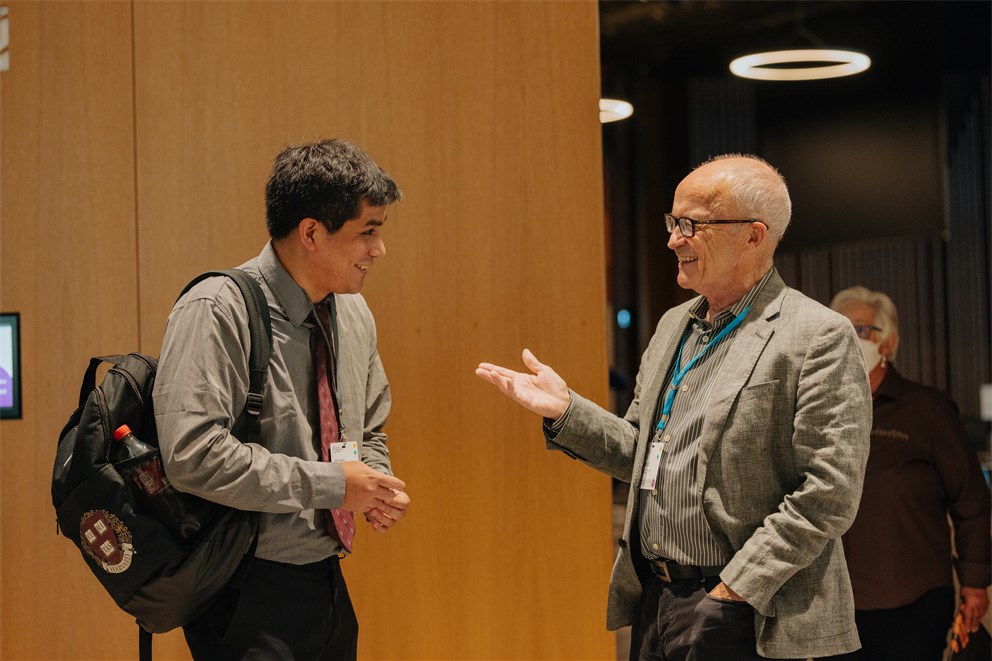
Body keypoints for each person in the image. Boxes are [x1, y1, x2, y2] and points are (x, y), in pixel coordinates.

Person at [476, 154, 872, 660]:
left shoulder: (816, 335)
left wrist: (734, 591)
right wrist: (567, 411)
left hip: (747, 612)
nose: (673, 240)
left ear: (754, 235)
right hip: (657, 599)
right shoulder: (673, 326)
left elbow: (829, 494)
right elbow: (640, 453)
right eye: (673, 222)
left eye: (692, 224)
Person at [153, 138, 410, 660]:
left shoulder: (354, 314)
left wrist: (375, 484)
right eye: (368, 232)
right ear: (312, 232)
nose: (378, 250)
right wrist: (334, 485)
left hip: (327, 587)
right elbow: (192, 456)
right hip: (243, 592)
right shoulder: (216, 308)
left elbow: (370, 424)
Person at [830, 286, 991, 661]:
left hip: (912, 603)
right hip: (835, 606)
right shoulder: (820, 411)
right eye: (839, 329)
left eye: (861, 330)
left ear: (888, 343)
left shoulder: (926, 410)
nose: (848, 339)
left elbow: (971, 500)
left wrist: (975, 583)